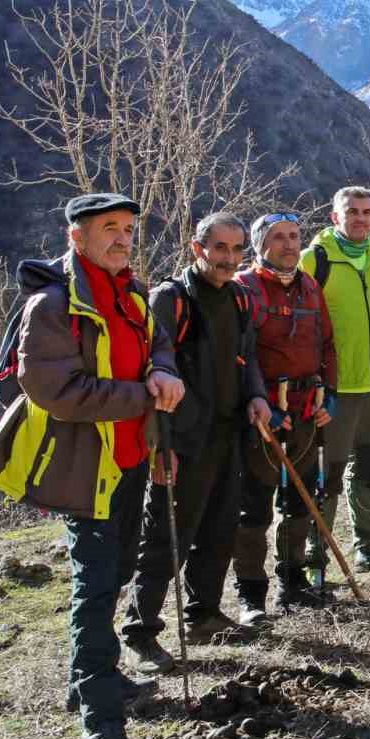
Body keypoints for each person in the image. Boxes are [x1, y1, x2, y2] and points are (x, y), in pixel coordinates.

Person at [0, 193, 183, 739]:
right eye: (109, 228)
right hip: (86, 469)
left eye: (128, 228)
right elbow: (57, 391)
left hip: (129, 461)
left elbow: (159, 346)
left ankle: (88, 680)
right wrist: (142, 395)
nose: (123, 238)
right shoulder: (53, 306)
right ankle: (101, 725)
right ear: (76, 236)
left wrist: (162, 376)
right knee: (96, 588)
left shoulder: (130, 292)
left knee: (119, 568)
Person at [123, 213, 270, 670]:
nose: (228, 258)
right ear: (197, 248)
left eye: (236, 249)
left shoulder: (241, 298)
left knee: (219, 530)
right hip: (182, 440)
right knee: (168, 536)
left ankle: (203, 615)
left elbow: (247, 359)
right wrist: (159, 445)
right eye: (219, 248)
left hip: (228, 434)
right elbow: (150, 371)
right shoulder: (172, 299)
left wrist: (259, 397)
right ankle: (140, 632)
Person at [232, 212, 338, 622]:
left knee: (301, 503)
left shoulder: (309, 286)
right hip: (263, 417)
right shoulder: (245, 289)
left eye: (294, 236)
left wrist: (332, 396)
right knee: (255, 509)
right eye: (278, 237)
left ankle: (293, 583)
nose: (289, 244)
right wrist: (262, 403)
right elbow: (241, 355)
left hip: (308, 413)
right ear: (260, 244)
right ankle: (250, 595)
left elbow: (327, 343)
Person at [302, 186, 370, 573]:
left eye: (367, 211)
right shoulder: (314, 262)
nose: (361, 218)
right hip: (334, 390)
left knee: (368, 470)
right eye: (352, 211)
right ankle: (315, 558)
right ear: (335, 217)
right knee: (326, 476)